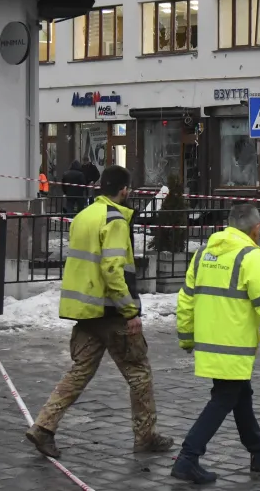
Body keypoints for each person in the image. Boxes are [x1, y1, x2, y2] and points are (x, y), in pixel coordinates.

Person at [26, 166, 173, 459]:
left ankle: (43, 427)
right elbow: (112, 269)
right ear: (124, 190)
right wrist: (130, 311)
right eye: (128, 190)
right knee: (139, 373)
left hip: (87, 311)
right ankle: (145, 436)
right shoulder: (114, 220)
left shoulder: (84, 216)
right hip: (112, 311)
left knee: (79, 372)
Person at [171, 203, 260, 484]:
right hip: (233, 347)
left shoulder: (203, 254)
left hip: (210, 345)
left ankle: (259, 451)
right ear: (256, 230)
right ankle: (188, 457)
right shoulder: (251, 257)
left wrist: (186, 335)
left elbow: (186, 298)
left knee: (241, 395)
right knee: (224, 399)